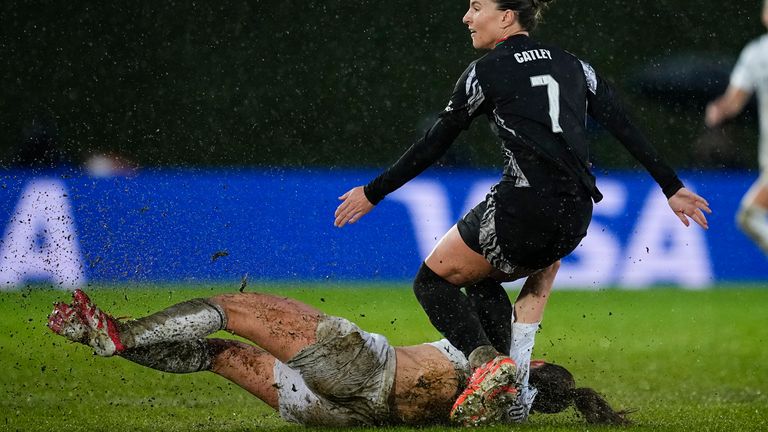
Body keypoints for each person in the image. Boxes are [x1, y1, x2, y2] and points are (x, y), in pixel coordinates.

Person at [334, 0, 712, 422]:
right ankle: (512, 389)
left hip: (523, 207)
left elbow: (434, 144)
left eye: (476, 7)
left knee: (431, 283)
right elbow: (624, 125)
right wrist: (672, 186)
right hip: (576, 215)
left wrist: (373, 191)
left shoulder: (485, 71)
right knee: (481, 282)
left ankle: (486, 364)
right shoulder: (574, 65)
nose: (466, 17)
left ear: (507, 16)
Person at [47, 289, 630, 426]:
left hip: (365, 370)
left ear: (537, 365)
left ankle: (116, 337)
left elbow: (525, 302)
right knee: (219, 355)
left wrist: (545, 264)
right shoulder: (512, 409)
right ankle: (110, 341)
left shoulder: (501, 362)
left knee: (235, 311)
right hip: (339, 415)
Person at [705, 0, 768, 255]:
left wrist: (721, 108)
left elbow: (734, 102)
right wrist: (721, 109)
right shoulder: (756, 53)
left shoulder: (756, 52)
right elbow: (735, 100)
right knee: (749, 217)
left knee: (749, 216)